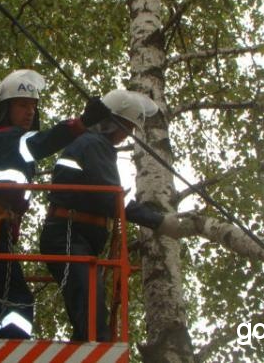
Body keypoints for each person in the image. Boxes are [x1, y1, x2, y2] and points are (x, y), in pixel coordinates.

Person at [0, 69, 111, 340]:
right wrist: (84, 121)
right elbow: (46, 141)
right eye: (22, 105)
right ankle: (12, 348)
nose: (29, 112)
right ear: (5, 109)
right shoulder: (12, 140)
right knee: (17, 302)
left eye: (33, 106)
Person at [39, 89, 183, 342]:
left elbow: (105, 195)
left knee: (88, 304)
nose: (126, 134)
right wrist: (159, 221)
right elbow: (111, 197)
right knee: (91, 309)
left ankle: (86, 344)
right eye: (126, 126)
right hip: (70, 235)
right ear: (111, 122)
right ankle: (94, 347)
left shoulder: (94, 145)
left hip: (74, 236)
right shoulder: (93, 144)